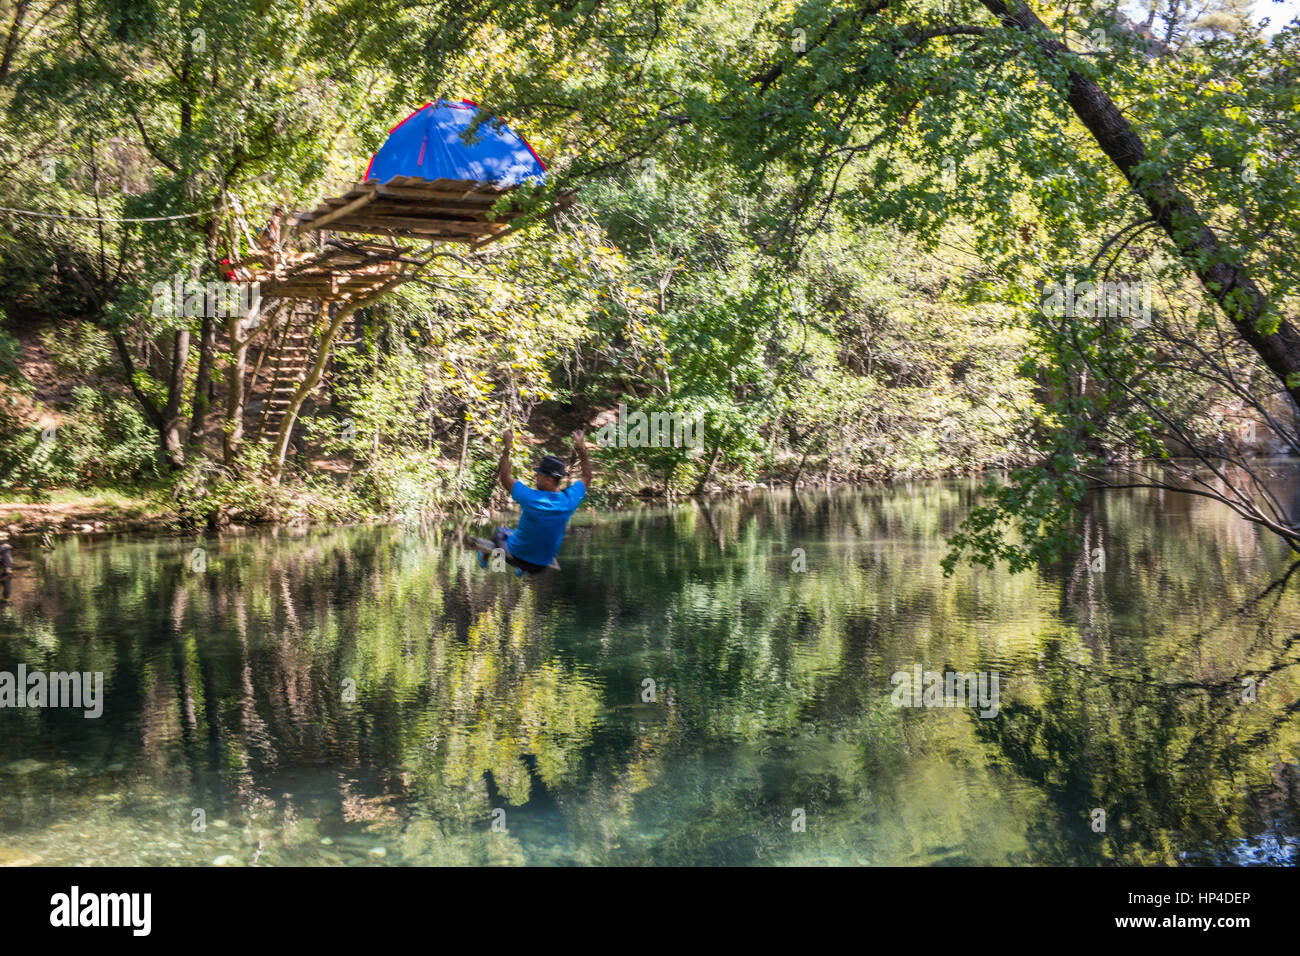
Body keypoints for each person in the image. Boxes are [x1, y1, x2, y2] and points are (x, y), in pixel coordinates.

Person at [472, 428, 592, 575]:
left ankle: (484, 558)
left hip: (517, 557)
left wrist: (507, 448)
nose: (536, 476)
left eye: (539, 475)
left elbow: (505, 478)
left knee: (500, 532)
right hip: (541, 565)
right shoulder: (569, 501)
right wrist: (581, 448)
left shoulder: (531, 498)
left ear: (549, 479)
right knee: (519, 534)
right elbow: (587, 478)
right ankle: (521, 570)